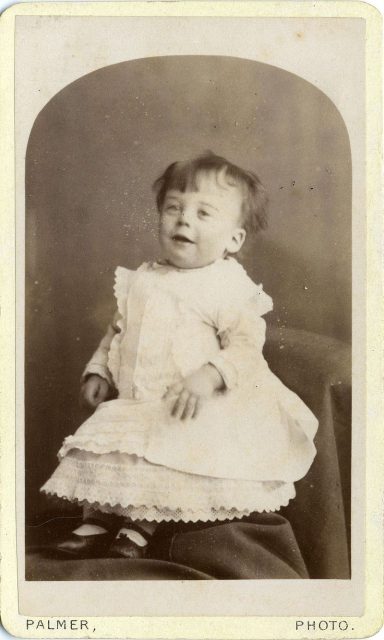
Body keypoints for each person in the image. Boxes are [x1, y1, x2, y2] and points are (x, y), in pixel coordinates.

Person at [41, 151, 318, 559]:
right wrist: (98, 369)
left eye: (204, 213)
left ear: (234, 239)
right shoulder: (142, 279)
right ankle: (99, 516)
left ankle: (140, 524)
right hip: (136, 400)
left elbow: (246, 345)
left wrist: (208, 375)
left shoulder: (224, 284)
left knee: (164, 458)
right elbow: (117, 331)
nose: (184, 220)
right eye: (174, 208)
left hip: (187, 404)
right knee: (116, 450)